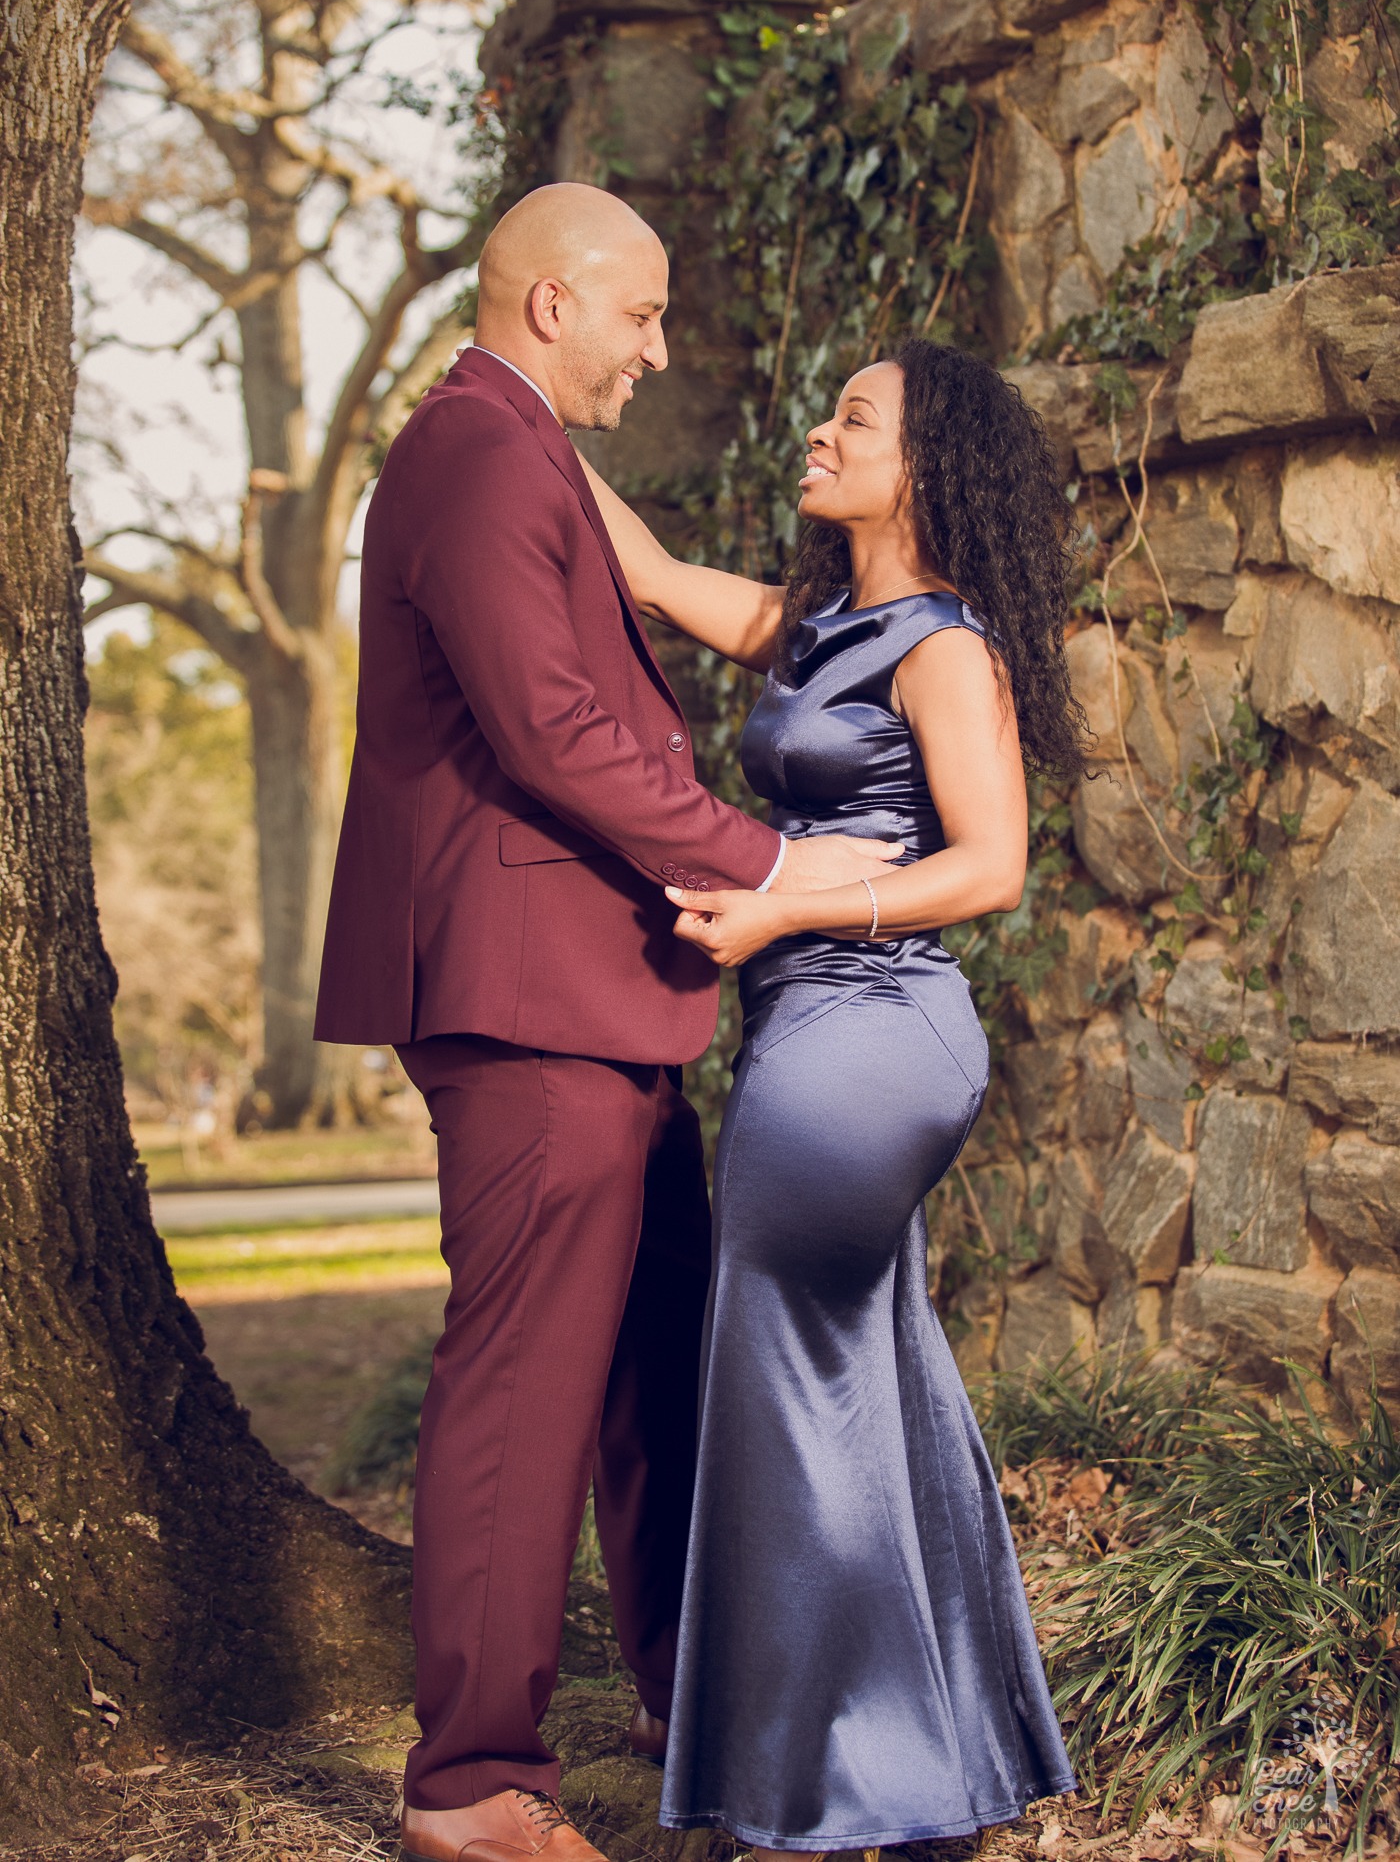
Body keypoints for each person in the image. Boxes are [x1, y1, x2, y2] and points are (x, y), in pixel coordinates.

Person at [313, 182, 900, 1862]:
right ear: (551, 301)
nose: (658, 350)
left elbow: (612, 666)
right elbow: (561, 732)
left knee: (648, 1373)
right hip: (531, 1001)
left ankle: (680, 1693)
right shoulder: (479, 452)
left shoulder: (515, 448)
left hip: (606, 997)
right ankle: (474, 1783)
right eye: (639, 315)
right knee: (526, 1385)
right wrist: (778, 861)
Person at [579, 337, 1086, 1858]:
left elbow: (990, 868)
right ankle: (925, 1770)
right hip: (808, 1027)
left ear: (921, 468)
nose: (819, 430)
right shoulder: (819, 626)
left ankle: (821, 1785)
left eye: (853, 418)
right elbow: (658, 571)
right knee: (860, 1376)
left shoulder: (941, 646)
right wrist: (509, 409)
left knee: (784, 1373)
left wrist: (787, 908)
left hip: (873, 1037)